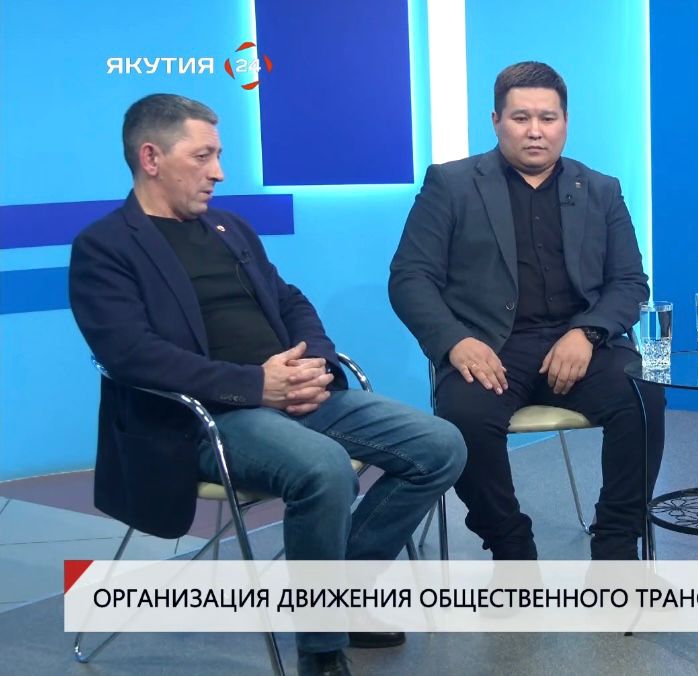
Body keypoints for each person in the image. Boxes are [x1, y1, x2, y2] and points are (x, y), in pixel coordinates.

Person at [68, 93, 467, 676]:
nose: (219, 172)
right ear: (151, 158)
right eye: (203, 156)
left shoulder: (229, 228)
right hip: (205, 419)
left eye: (218, 155)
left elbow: (290, 300)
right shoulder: (104, 247)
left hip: (296, 395)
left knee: (442, 445)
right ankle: (321, 651)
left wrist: (316, 364)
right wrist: (256, 385)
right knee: (324, 467)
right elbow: (131, 356)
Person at [389, 61, 665, 561]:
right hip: (489, 346)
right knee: (465, 418)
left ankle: (616, 544)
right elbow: (410, 278)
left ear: (565, 122)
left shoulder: (600, 189)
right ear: (496, 121)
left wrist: (588, 333)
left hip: (579, 343)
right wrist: (455, 342)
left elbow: (629, 282)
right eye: (521, 118)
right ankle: (511, 547)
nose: (535, 131)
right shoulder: (451, 184)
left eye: (547, 118)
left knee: (644, 397)